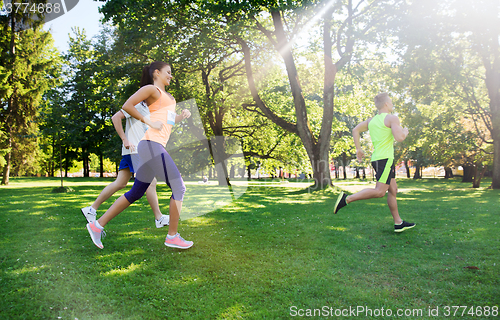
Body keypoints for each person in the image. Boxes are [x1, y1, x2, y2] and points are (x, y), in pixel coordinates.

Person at [86, 61, 193, 249]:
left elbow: (168, 121)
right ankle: (172, 236)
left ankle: (97, 225)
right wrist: (148, 121)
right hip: (151, 144)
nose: (171, 75)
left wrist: (181, 116)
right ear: (157, 73)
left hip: (153, 145)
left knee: (136, 192)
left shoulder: (169, 97)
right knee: (179, 187)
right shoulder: (152, 89)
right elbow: (127, 106)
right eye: (168, 72)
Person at [333, 93, 415, 233]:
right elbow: (399, 137)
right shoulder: (392, 118)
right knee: (379, 192)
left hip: (378, 159)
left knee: (393, 190)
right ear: (386, 104)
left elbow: (355, 130)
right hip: (385, 160)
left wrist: (358, 149)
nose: (392, 104)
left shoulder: (371, 121)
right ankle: (346, 199)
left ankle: (398, 223)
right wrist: (405, 131)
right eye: (390, 101)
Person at [80, 102, 169, 228]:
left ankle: (91, 209)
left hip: (132, 151)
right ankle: (159, 217)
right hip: (135, 150)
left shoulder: (149, 110)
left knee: (120, 183)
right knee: (150, 181)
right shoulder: (138, 105)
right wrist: (124, 139)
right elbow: (115, 117)